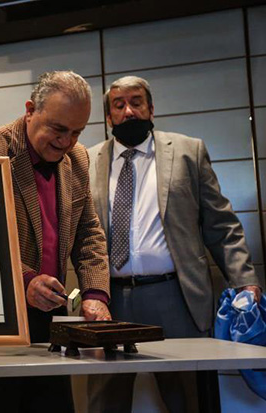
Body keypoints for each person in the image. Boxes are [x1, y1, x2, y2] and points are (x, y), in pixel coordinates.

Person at [87, 75, 263, 412]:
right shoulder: (87, 160)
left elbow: (221, 224)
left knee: (189, 398)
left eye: (136, 102)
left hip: (176, 298)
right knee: (105, 401)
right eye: (118, 105)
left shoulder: (187, 152)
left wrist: (245, 280)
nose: (128, 111)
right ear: (108, 116)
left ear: (151, 108)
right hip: (109, 301)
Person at [0, 71, 111, 413]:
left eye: (76, 132)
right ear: (30, 110)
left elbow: (89, 234)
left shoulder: (79, 158)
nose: (66, 141)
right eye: (58, 129)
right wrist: (25, 280)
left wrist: (95, 295)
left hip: (50, 319)